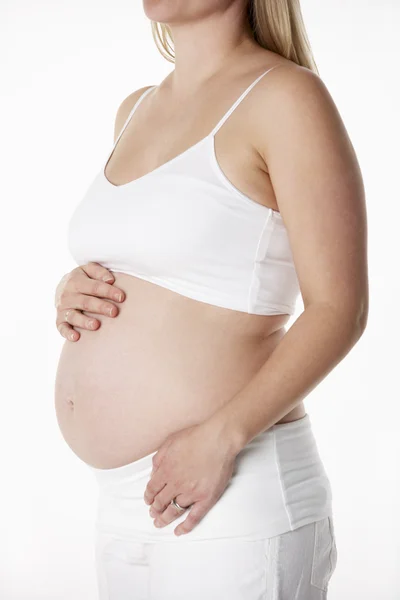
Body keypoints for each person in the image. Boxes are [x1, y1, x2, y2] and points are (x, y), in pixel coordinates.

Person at [53, 1, 368, 598]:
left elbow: (339, 309)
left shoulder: (285, 98)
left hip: (229, 492)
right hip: (122, 501)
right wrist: (69, 291)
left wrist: (222, 437)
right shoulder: (136, 108)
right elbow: (155, 262)